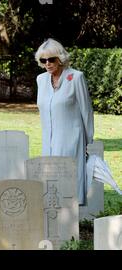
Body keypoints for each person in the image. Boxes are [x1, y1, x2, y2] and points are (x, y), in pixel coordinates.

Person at [35, 38, 94, 205]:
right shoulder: (41, 80)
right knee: (51, 185)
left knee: (69, 185)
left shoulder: (76, 77)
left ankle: (70, 223)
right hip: (48, 140)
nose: (47, 64)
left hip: (71, 139)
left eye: (51, 59)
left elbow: (87, 111)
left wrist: (88, 141)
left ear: (60, 59)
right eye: (43, 60)